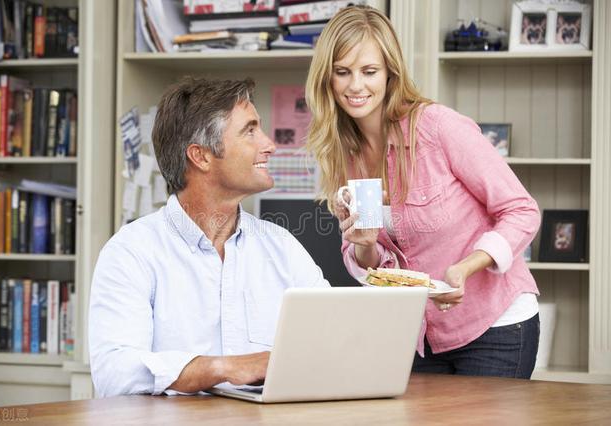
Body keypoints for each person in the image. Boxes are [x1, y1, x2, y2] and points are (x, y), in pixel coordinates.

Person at [305, 6, 541, 378]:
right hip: (416, 334)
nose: (355, 86)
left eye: (369, 72)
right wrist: (363, 245)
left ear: (389, 73)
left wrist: (466, 267)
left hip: (493, 327)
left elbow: (521, 210)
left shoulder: (438, 127)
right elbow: (369, 258)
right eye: (342, 72)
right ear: (327, 78)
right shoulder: (343, 153)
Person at [89, 77, 329, 397]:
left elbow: (333, 341)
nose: (269, 144)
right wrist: (222, 368)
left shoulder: (282, 247)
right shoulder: (131, 252)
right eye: (250, 131)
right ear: (200, 156)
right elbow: (114, 374)